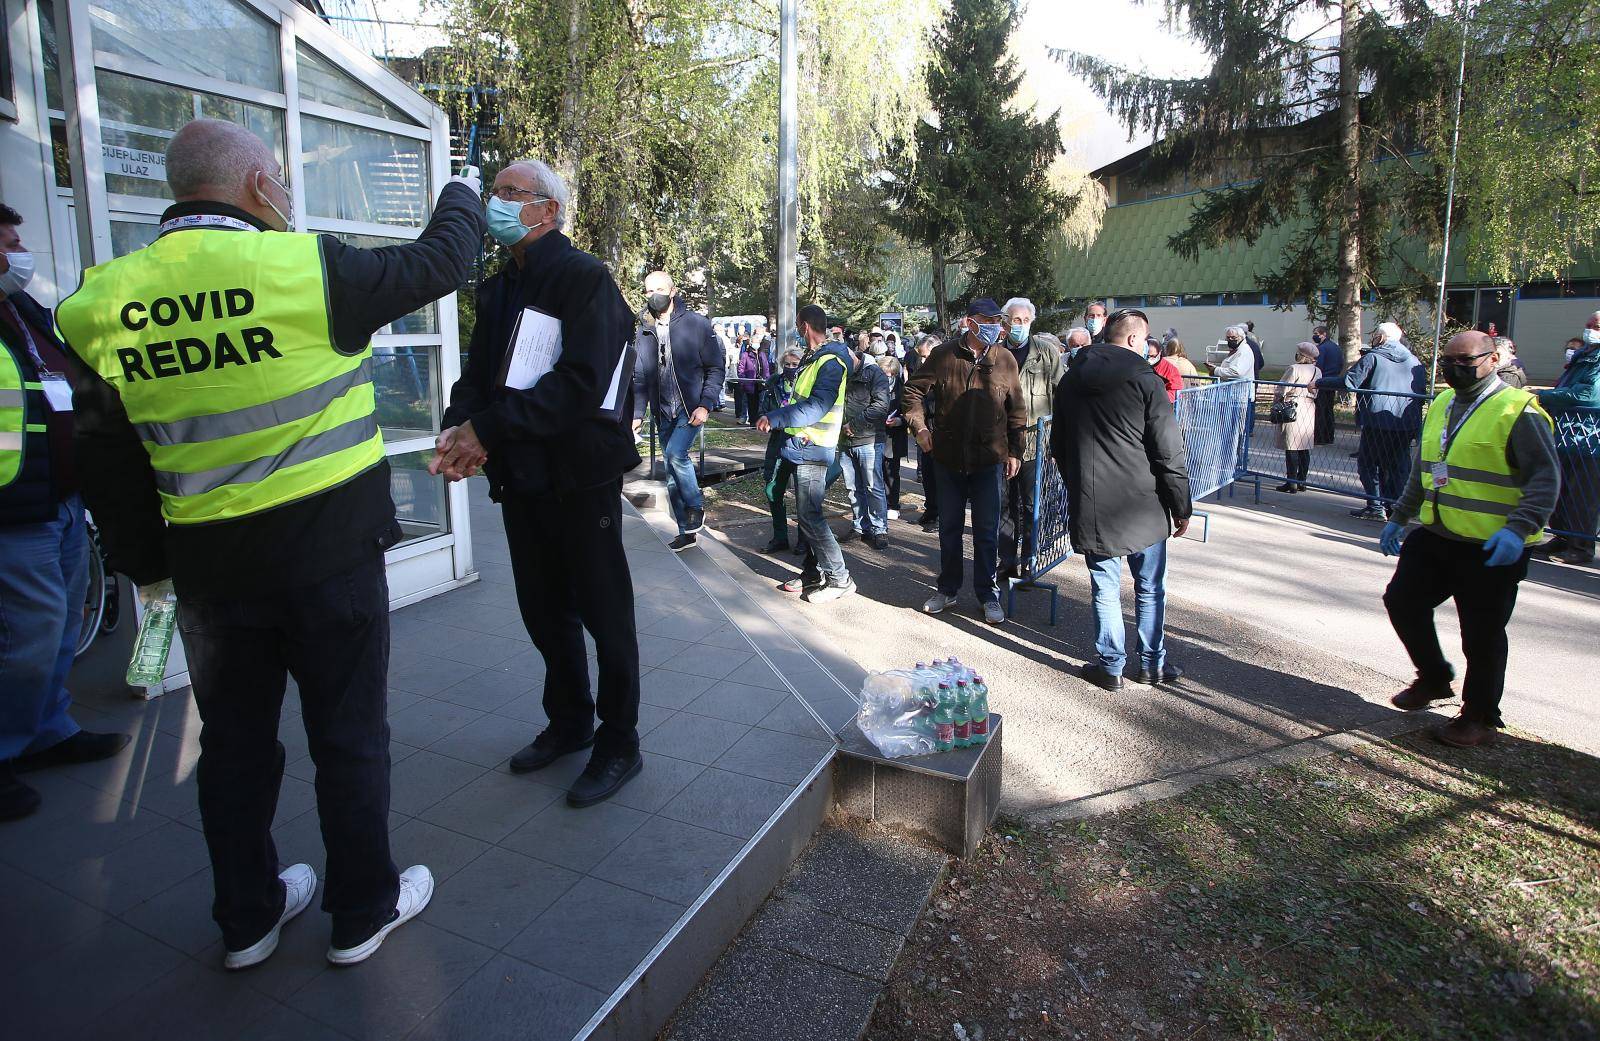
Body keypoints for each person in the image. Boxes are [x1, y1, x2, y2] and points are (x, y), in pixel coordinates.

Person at [56, 119, 482, 967]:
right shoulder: (306, 268)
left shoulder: (98, 303)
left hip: (211, 573)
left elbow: (106, 458)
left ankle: (247, 917)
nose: (285, 190)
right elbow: (441, 261)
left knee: (236, 747)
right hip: (331, 559)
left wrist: (148, 571)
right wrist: (465, 190)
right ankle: (364, 907)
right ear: (257, 186)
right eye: (280, 177)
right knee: (350, 736)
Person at [439, 159, 644, 811]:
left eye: (509, 193)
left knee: (604, 613)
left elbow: (581, 384)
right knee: (543, 608)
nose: (495, 202)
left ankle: (619, 740)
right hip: (522, 478)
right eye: (494, 191)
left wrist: (489, 429)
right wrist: (458, 430)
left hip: (581, 479)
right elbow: (479, 376)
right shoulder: (498, 287)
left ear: (547, 210)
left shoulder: (586, 280)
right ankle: (571, 720)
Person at [0, 203, 132, 822]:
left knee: (61, 626)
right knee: (26, 635)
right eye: (5, 242)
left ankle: (49, 730)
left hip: (60, 497)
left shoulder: (23, 313)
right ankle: (5, 752)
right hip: (12, 511)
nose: (17, 253)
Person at [1379, 331, 1559, 747]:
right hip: (1439, 533)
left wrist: (1518, 529)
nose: (1454, 370)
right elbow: (1424, 468)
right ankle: (1435, 677)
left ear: (1493, 359)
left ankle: (1479, 716)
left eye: (1465, 362)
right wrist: (1400, 516)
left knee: (1481, 633)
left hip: (1492, 546)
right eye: (1448, 362)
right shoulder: (1442, 403)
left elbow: (1545, 479)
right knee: (1403, 601)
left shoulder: (1519, 411)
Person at [1050, 308, 1192, 691]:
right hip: (1144, 505)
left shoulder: (1070, 380)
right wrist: (1182, 506)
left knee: (1105, 588)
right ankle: (1151, 664)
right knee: (1148, 588)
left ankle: (1111, 665)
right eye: (1145, 339)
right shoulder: (1146, 380)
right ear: (1133, 339)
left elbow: (1058, 446)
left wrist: (1078, 484)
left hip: (1095, 504)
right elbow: (1168, 452)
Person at [903, 298, 1026, 626]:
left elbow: (1017, 411)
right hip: (947, 459)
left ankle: (988, 593)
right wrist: (920, 428)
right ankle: (947, 588)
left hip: (989, 461)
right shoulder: (944, 355)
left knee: (987, 531)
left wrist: (1016, 451)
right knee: (950, 529)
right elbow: (911, 392)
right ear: (970, 323)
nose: (996, 326)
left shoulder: (1006, 360)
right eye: (988, 320)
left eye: (998, 320)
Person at [758, 304, 855, 602]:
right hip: (804, 446)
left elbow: (816, 406)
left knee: (810, 517)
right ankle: (814, 573)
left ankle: (839, 578)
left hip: (814, 448)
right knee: (808, 515)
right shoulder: (815, 359)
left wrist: (777, 418)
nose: (797, 332)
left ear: (804, 326)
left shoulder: (829, 362)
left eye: (798, 327)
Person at [632, 270, 724, 550]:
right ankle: (687, 530)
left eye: (658, 289)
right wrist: (638, 413)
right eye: (648, 291)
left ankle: (696, 507)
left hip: (690, 407)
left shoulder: (697, 324)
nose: (653, 296)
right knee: (671, 472)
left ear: (672, 291)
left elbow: (715, 368)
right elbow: (640, 377)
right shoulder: (645, 331)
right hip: (663, 412)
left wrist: (706, 405)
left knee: (675, 454)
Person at [997, 297, 1063, 581]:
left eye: (1025, 321)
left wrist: (1055, 442)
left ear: (1032, 322)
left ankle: (1031, 560)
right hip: (1000, 445)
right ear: (1005, 321)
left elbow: (1061, 396)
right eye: (1015, 320)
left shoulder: (1046, 353)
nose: (1020, 326)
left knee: (1030, 504)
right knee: (1003, 507)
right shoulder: (995, 352)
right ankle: (1007, 560)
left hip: (1036, 445)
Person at [1534, 312, 1600, 565]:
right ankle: (1562, 537)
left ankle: (1580, 546)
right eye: (1588, 325)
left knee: (1582, 495)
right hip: (1568, 434)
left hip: (1590, 439)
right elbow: (1568, 388)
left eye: (1597, 326)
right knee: (1562, 490)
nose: (1591, 330)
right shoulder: (1584, 356)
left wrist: (1545, 396)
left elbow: (1587, 396)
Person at [1344, 321, 1426, 520]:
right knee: (1397, 465)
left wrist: (1319, 382)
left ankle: (1375, 506)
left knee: (1368, 463)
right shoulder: (1414, 361)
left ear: (1381, 337)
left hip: (1377, 421)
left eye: (1375, 335)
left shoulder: (1373, 357)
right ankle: (1395, 506)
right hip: (1405, 422)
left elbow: (1350, 381)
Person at [836, 338, 893, 549]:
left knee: (873, 486)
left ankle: (879, 529)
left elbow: (881, 405)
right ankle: (860, 525)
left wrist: (854, 425)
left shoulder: (874, 373)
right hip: (844, 441)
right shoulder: (841, 374)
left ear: (851, 356)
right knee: (853, 488)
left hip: (868, 440)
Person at [760, 349, 803, 553]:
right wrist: (770, 420)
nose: (791, 368)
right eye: (788, 364)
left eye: (795, 364)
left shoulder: (808, 383)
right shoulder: (773, 384)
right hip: (778, 442)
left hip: (802, 443)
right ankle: (780, 537)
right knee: (773, 489)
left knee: (804, 494)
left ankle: (805, 539)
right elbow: (763, 411)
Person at [1273, 343, 1321, 493]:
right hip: (1309, 406)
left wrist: (1276, 400)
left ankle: (1291, 481)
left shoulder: (1294, 368)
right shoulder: (1317, 371)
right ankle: (1302, 480)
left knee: (1291, 446)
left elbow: (1282, 388)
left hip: (1292, 406)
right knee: (1304, 447)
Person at [908, 333, 942, 530]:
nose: (922, 360)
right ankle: (930, 512)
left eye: (926, 356)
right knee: (928, 475)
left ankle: (939, 517)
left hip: (941, 431)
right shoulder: (920, 374)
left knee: (940, 478)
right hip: (924, 431)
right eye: (920, 356)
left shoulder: (947, 373)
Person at [880, 355, 909, 519]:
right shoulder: (873, 385)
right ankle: (879, 503)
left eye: (891, 374)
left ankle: (892, 503)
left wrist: (900, 420)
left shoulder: (903, 388)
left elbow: (910, 411)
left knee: (892, 472)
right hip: (876, 434)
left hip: (894, 435)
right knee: (876, 472)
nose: (888, 377)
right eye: (884, 374)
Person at [1312, 325, 1343, 445]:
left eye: (1316, 333)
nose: (1314, 336)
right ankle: (1329, 436)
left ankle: (1319, 437)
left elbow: (1319, 367)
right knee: (1329, 410)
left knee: (1320, 410)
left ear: (1323, 334)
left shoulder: (1322, 348)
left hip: (1323, 381)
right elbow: (1341, 364)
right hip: (1333, 381)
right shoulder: (1336, 347)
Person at [736, 335, 770, 425]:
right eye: (755, 342)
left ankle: (760, 421)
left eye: (758, 341)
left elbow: (766, 368)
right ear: (750, 343)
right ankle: (752, 422)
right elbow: (741, 370)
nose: (756, 343)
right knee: (751, 403)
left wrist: (767, 379)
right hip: (750, 383)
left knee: (761, 403)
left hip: (761, 383)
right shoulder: (745, 355)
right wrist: (744, 382)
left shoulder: (762, 354)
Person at [1145, 336, 1183, 404]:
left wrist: (1156, 397)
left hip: (1160, 405)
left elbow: (1175, 392)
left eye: (1153, 356)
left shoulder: (1170, 370)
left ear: (1160, 353)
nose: (1149, 359)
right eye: (1147, 356)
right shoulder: (1139, 364)